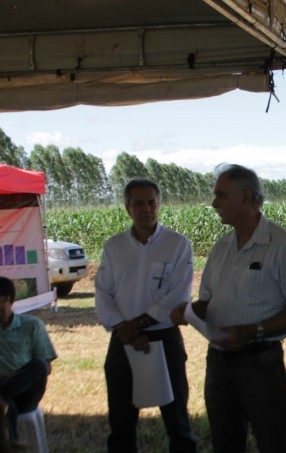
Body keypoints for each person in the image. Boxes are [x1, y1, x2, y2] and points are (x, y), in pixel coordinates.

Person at [171, 163, 286, 453]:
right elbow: (208, 302)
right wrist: (187, 312)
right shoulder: (222, 246)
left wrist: (253, 331)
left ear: (247, 197)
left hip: (260, 363)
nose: (214, 204)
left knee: (272, 442)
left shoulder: (281, 244)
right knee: (225, 442)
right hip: (219, 363)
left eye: (221, 195)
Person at [95, 178, 197, 452]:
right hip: (122, 339)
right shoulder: (114, 247)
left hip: (164, 338)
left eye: (151, 202)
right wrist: (124, 330)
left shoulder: (177, 244)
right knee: (121, 421)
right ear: (127, 207)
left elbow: (178, 294)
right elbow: (102, 293)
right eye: (138, 203)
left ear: (159, 204)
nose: (146, 209)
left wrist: (138, 325)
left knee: (177, 420)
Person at [0, 276, 56, 442]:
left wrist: (15, 377)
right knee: (5, 405)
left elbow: (46, 367)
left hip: (26, 392)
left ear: (8, 299)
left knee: (39, 365)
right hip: (4, 393)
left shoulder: (32, 325)